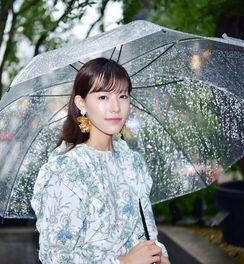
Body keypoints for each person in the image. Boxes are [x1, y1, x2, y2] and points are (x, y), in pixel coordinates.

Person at [31, 58, 170, 264]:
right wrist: (123, 262)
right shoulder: (66, 169)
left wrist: (160, 255)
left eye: (123, 96)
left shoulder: (133, 162)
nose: (116, 107)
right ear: (81, 103)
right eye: (103, 97)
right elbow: (56, 257)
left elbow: (147, 232)